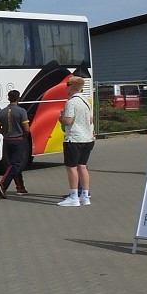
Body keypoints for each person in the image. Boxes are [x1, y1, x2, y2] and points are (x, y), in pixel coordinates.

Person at [57, 76, 94, 207]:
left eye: (67, 84)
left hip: (74, 138)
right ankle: (85, 195)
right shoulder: (86, 101)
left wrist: (60, 118)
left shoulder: (71, 102)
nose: (66, 87)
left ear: (72, 86)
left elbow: (68, 120)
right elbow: (90, 119)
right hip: (87, 138)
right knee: (82, 166)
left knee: (71, 168)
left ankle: (74, 196)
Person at [0, 90, 30, 197]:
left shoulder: (1, 112)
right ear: (18, 98)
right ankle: (2, 185)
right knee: (17, 164)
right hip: (18, 140)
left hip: (6, 140)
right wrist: (24, 135)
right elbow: (27, 129)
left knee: (12, 165)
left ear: (8, 98)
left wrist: (5, 132)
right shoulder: (22, 111)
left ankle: (20, 188)